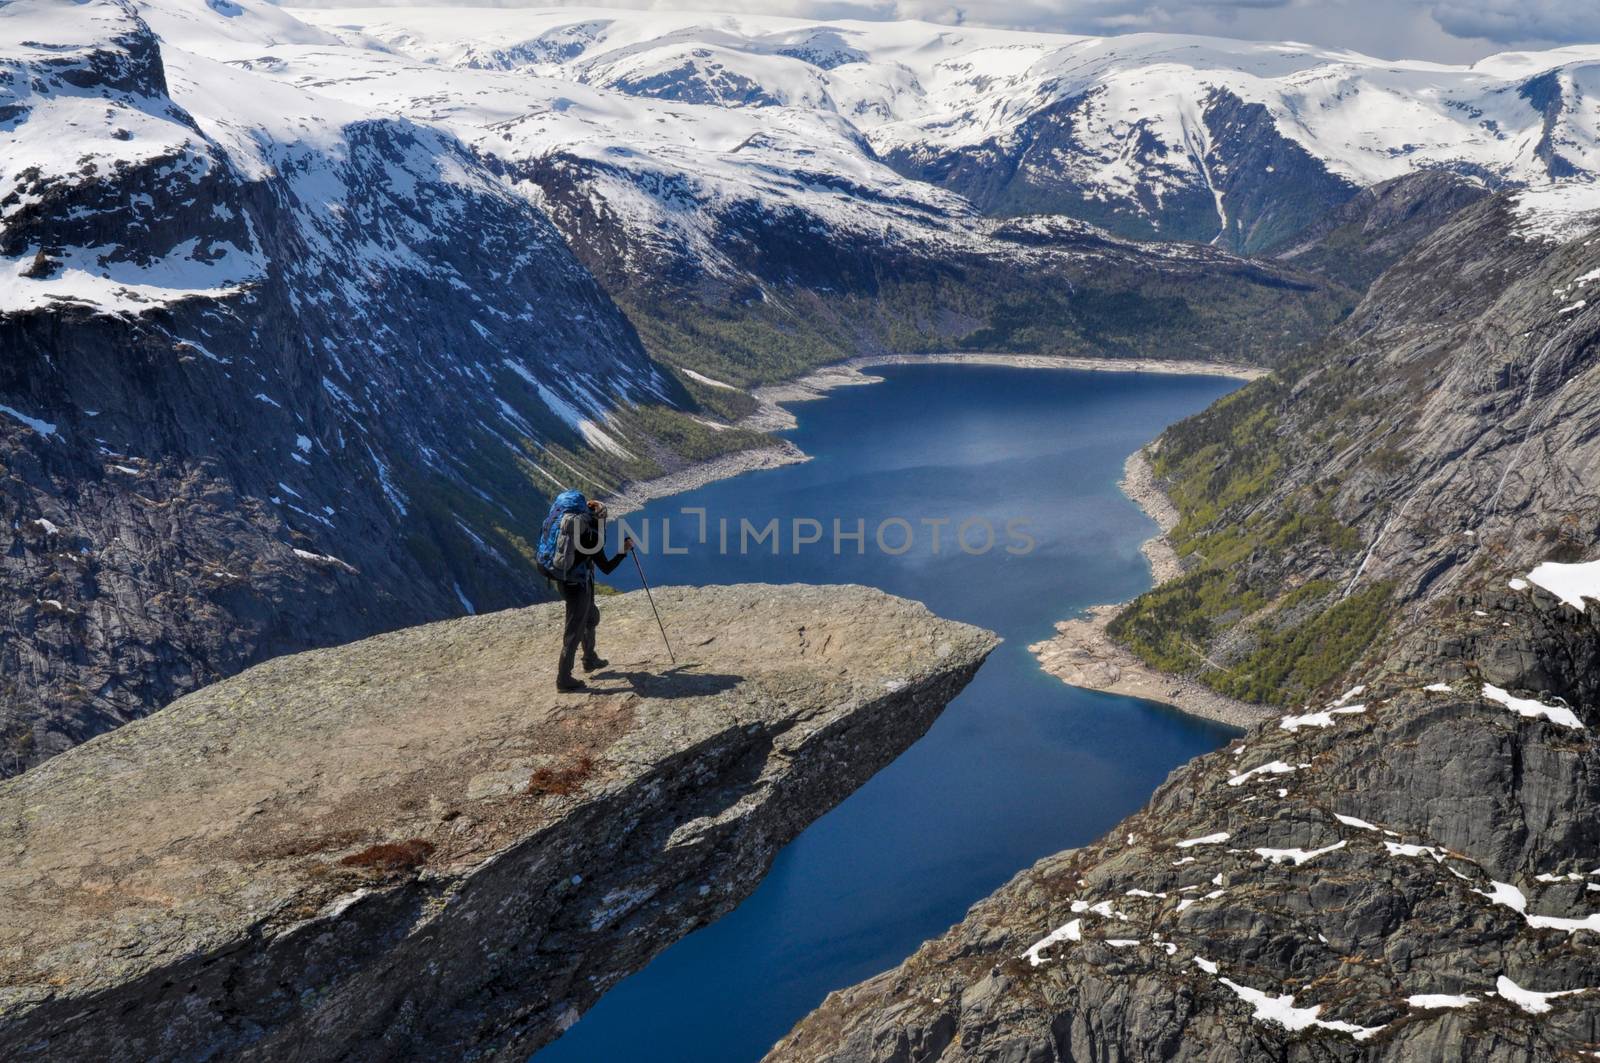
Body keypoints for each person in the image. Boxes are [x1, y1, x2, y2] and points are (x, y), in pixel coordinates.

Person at [557, 499, 632, 692]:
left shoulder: (567, 527)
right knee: (574, 632)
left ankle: (589, 659)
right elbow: (606, 568)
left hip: (568, 581)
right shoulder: (591, 537)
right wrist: (623, 552)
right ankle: (563, 679)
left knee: (591, 617)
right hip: (578, 585)